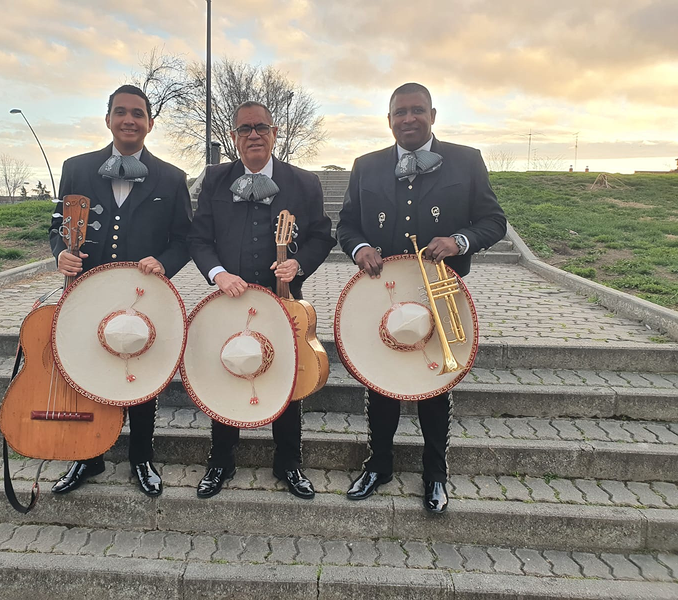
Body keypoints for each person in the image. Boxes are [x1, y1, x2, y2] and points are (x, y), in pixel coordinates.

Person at [337, 82, 507, 512]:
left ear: (433, 114)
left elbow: (493, 221)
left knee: (435, 385)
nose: (408, 119)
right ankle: (378, 466)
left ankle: (436, 474)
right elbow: (347, 225)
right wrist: (360, 249)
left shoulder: (466, 160)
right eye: (399, 112)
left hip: (440, 294)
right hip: (382, 295)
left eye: (416, 111)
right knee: (380, 384)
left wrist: (460, 241)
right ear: (389, 119)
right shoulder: (365, 165)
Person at [49, 84, 192, 497]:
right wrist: (61, 254)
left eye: (138, 113)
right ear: (108, 118)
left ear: (150, 123)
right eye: (121, 112)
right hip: (85, 292)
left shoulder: (172, 177)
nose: (129, 119)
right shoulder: (75, 168)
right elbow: (57, 227)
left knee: (140, 373)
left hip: (142, 296)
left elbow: (184, 238)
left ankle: (141, 458)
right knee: (84, 370)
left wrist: (164, 262)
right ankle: (86, 459)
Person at [188, 100, 336, 499]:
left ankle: (289, 463)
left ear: (274, 133)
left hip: (284, 302)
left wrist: (299, 265)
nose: (253, 135)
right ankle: (221, 461)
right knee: (226, 374)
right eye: (244, 129)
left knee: (287, 380)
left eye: (261, 127)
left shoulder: (304, 182)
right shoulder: (215, 179)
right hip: (228, 301)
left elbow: (323, 236)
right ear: (234, 137)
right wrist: (218, 275)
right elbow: (199, 239)